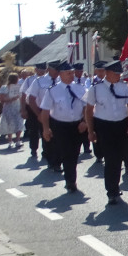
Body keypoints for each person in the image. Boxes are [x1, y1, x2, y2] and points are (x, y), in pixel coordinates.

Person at [84, 61, 128, 206]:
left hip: (121, 124)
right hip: (104, 125)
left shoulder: (124, 86)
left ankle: (115, 185)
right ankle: (111, 191)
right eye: (115, 74)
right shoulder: (96, 89)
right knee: (111, 158)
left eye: (120, 74)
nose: (118, 76)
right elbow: (88, 111)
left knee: (119, 156)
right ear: (107, 73)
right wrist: (90, 130)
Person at [39, 62, 87, 194]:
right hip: (60, 125)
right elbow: (45, 112)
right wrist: (46, 129)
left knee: (75, 153)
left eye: (72, 73)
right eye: (68, 73)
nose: (72, 75)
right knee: (66, 153)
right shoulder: (52, 91)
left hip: (77, 125)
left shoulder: (80, 88)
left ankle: (71, 178)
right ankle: (70, 181)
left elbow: (86, 108)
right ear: (60, 74)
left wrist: (85, 122)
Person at [20, 63, 47, 160]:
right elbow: (23, 96)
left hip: (44, 108)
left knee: (45, 129)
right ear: (36, 70)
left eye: (44, 70)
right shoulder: (29, 80)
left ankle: (46, 151)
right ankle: (33, 149)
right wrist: (23, 109)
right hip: (32, 108)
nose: (42, 71)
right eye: (40, 69)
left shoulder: (48, 80)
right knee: (34, 130)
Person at [0, 72, 24, 148]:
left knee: (19, 122)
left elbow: (22, 97)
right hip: (8, 107)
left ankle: (18, 140)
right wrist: (11, 99)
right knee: (10, 124)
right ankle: (10, 141)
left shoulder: (19, 87)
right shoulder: (4, 87)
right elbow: (2, 98)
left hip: (17, 106)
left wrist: (23, 107)